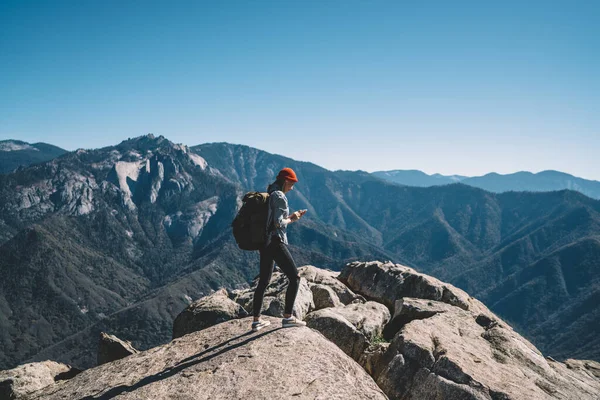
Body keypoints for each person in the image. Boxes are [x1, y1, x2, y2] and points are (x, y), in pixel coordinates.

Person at [251, 167, 307, 331]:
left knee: (264, 282)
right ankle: (288, 317)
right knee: (295, 277)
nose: (293, 187)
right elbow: (278, 222)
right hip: (275, 241)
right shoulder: (280, 196)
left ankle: (256, 321)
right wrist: (293, 218)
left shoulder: (270, 192)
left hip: (264, 242)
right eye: (292, 183)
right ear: (287, 181)